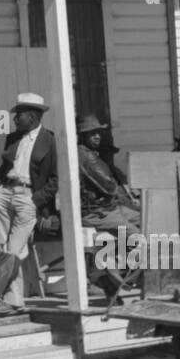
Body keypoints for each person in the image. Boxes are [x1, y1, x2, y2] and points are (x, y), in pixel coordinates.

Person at [0, 92, 58, 314]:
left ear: (33, 117)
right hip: (6, 192)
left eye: (20, 115)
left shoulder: (50, 140)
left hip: (28, 197)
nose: (15, 119)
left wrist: (37, 200)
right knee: (5, 249)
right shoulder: (13, 138)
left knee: (14, 251)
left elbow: (55, 179)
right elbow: (4, 166)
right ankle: (14, 301)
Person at [77, 115, 141, 296]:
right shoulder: (85, 157)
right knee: (138, 238)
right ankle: (118, 275)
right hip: (98, 211)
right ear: (82, 136)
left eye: (98, 132)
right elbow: (109, 186)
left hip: (110, 208)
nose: (97, 136)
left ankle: (114, 271)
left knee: (148, 221)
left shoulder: (92, 155)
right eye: (91, 133)